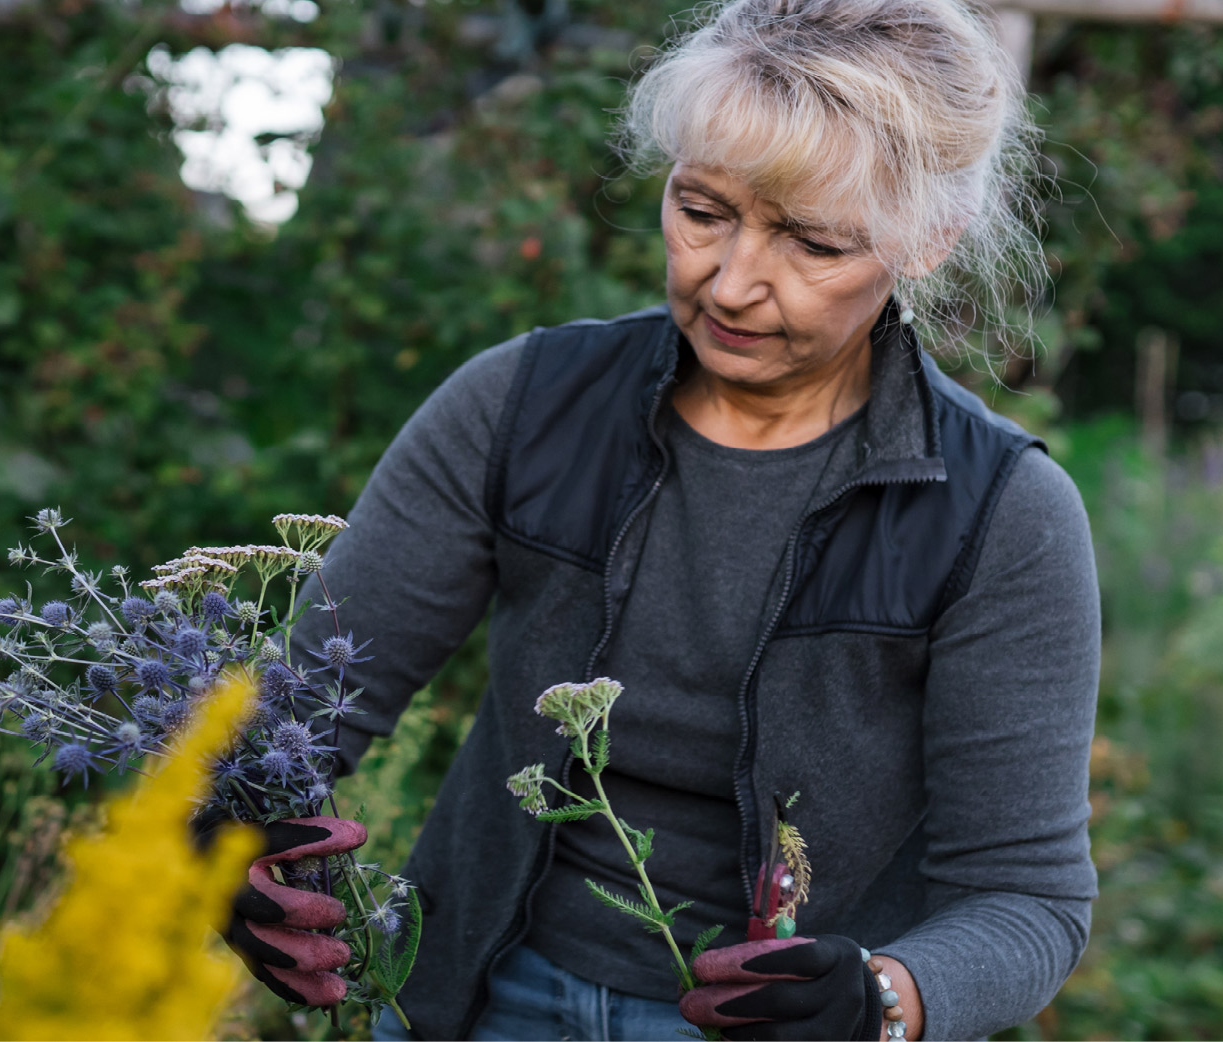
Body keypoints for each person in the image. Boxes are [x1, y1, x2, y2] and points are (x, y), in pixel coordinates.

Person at [219, 0, 1100, 1038]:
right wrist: (225, 845)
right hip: (475, 995)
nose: (731, 284)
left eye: (812, 242)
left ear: (927, 241)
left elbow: (1029, 899)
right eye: (702, 210)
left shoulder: (1000, 515)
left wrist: (881, 999)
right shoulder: (521, 409)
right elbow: (301, 711)